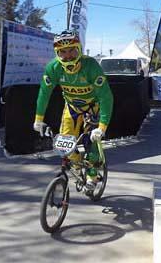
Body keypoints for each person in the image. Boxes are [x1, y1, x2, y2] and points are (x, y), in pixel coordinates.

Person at [33, 30, 113, 193]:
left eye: (72, 50)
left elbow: (106, 97)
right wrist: (38, 119)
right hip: (71, 108)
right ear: (57, 53)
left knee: (90, 142)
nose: (68, 56)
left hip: (93, 108)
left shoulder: (90, 66)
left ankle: (92, 173)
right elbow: (44, 93)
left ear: (79, 49)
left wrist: (102, 128)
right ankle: (77, 164)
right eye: (63, 52)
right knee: (64, 145)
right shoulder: (53, 67)